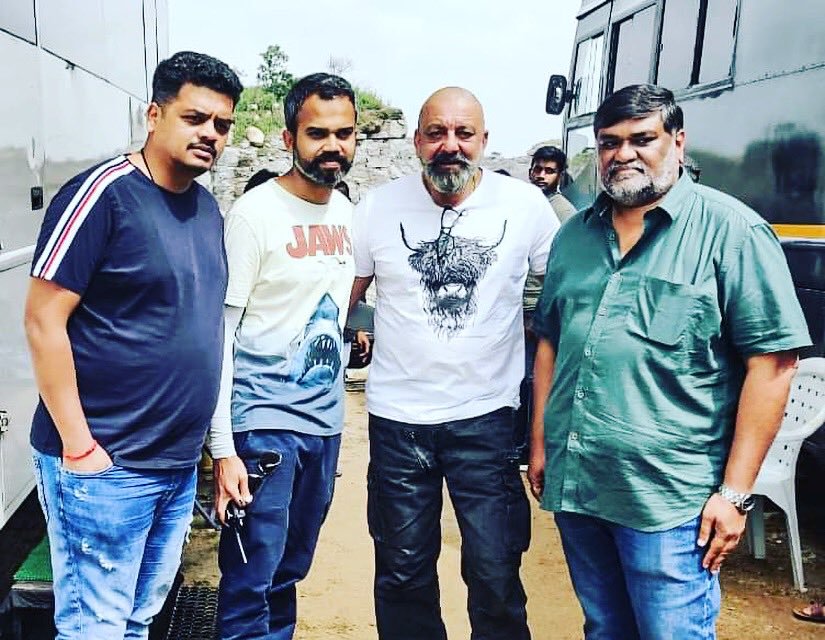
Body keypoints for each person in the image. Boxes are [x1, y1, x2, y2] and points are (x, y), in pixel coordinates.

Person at [527, 84, 811, 639]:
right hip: (580, 485)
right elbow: (550, 343)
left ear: (678, 142)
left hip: (671, 502)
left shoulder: (732, 233)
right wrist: (540, 443)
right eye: (609, 142)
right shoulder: (574, 237)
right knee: (604, 628)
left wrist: (734, 495)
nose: (623, 154)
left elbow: (773, 366)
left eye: (642, 139)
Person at [24, 51, 241, 639]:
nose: (210, 134)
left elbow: (203, 330)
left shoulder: (205, 209)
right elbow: (43, 321)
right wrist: (79, 446)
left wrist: (213, 450)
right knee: (94, 627)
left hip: (175, 466)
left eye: (222, 124)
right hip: (107, 463)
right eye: (195, 118)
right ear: (154, 115)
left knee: (139, 621)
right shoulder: (103, 195)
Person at [351, 86, 559, 640]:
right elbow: (341, 299)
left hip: (488, 420)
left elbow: (565, 303)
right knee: (402, 574)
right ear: (416, 141)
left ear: (483, 140)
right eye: (436, 133)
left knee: (495, 572)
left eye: (464, 133)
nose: (450, 145)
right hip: (398, 423)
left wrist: (544, 430)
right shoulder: (376, 209)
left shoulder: (526, 208)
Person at [209, 72, 358, 640]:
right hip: (263, 428)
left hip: (324, 424)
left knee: (290, 570)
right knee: (252, 576)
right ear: (289, 138)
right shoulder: (255, 214)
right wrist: (223, 448)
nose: (332, 146)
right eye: (317, 133)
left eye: (344, 134)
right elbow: (221, 334)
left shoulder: (348, 214)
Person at [528, 145, 576, 223]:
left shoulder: (564, 212)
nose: (541, 176)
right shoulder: (522, 201)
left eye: (549, 171)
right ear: (530, 172)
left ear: (560, 176)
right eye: (537, 169)